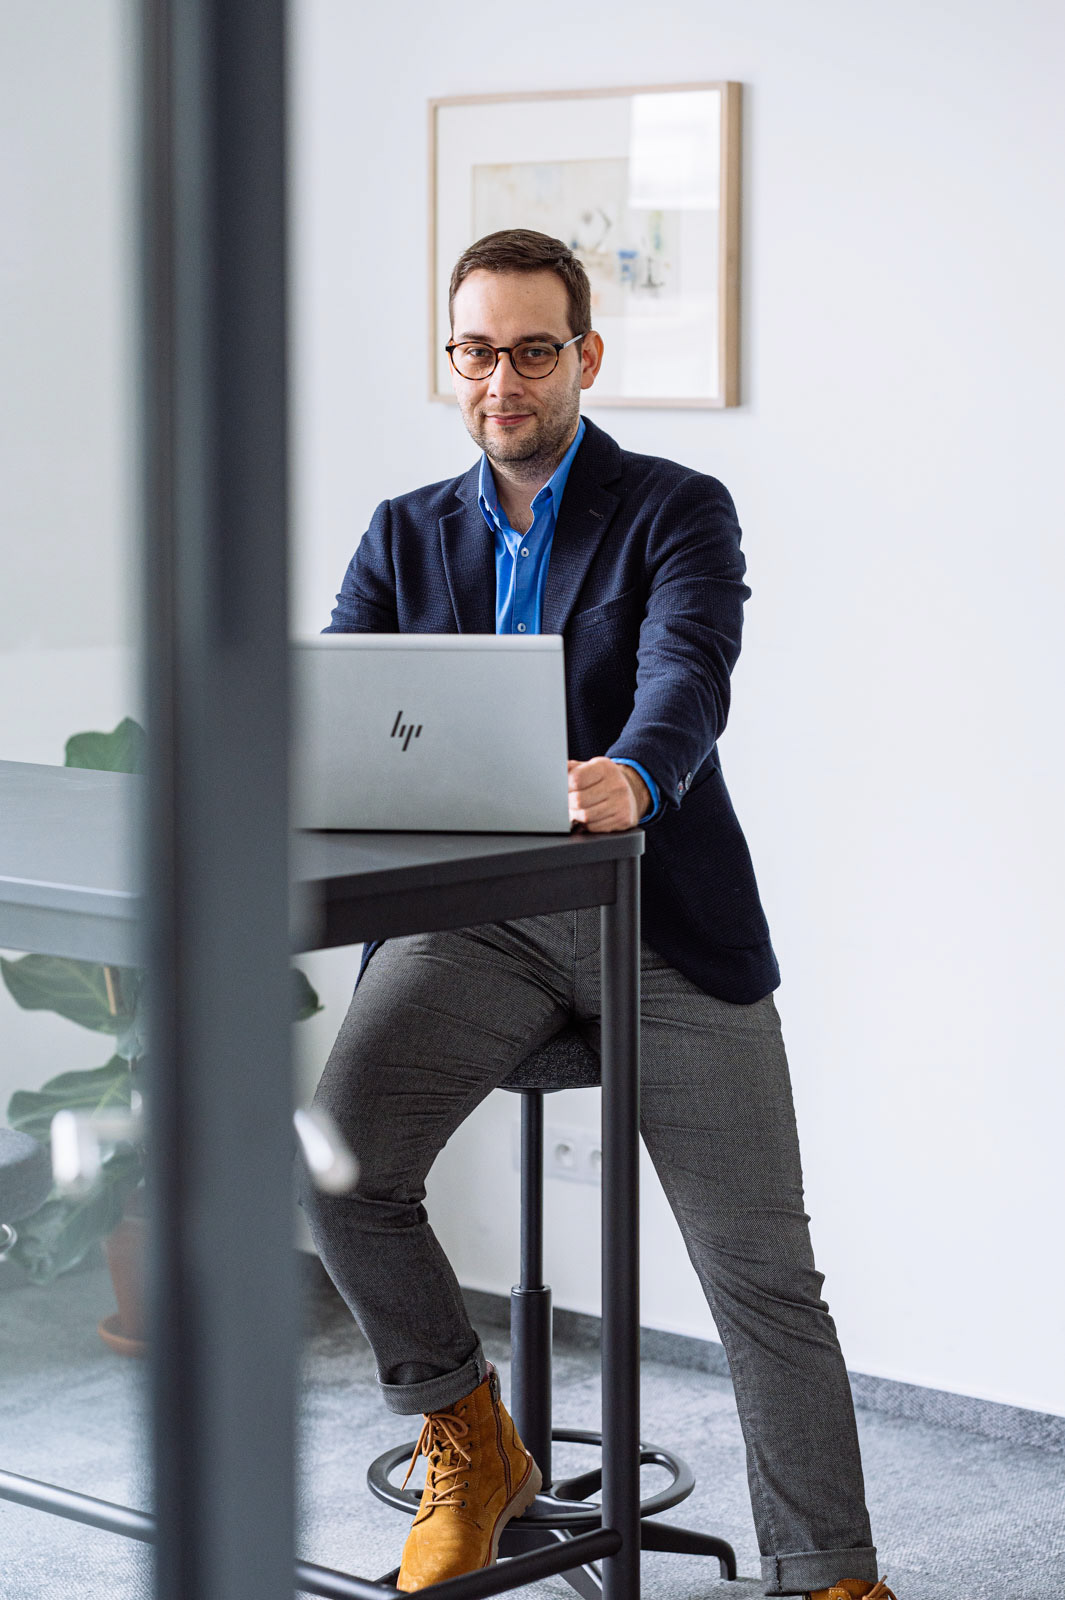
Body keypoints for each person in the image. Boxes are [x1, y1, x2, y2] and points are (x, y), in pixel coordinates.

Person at [301, 229, 896, 1600]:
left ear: (586, 357)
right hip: (475, 922)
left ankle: (831, 1575)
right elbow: (342, 708)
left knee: (762, 1273)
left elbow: (691, 669)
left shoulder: (675, 507)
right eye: (475, 351)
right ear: (451, 358)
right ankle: (473, 1440)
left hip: (656, 914)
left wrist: (636, 771)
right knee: (334, 1168)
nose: (499, 381)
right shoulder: (404, 532)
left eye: (531, 351)